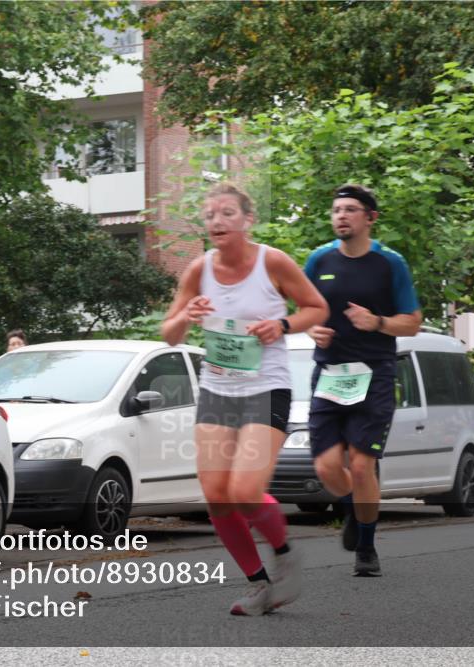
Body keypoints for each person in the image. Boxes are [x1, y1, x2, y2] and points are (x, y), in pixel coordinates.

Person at [162, 183, 328, 616]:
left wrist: (284, 326)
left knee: (245, 491)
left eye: (227, 213)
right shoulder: (198, 270)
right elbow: (169, 334)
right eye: (211, 214)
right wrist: (187, 316)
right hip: (217, 389)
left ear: (247, 220)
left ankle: (285, 552)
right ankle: (259, 584)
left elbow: (317, 307)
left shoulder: (272, 262)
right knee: (216, 494)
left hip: (265, 387)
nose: (217, 221)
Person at [303, 184, 422, 577]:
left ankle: (366, 548)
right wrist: (313, 331)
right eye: (336, 209)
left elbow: (413, 323)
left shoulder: (391, 263)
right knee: (326, 468)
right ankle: (355, 505)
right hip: (330, 375)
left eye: (350, 209)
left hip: (375, 374)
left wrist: (378, 322)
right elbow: (305, 312)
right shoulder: (318, 260)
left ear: (370, 218)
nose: (341, 215)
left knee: (361, 465)